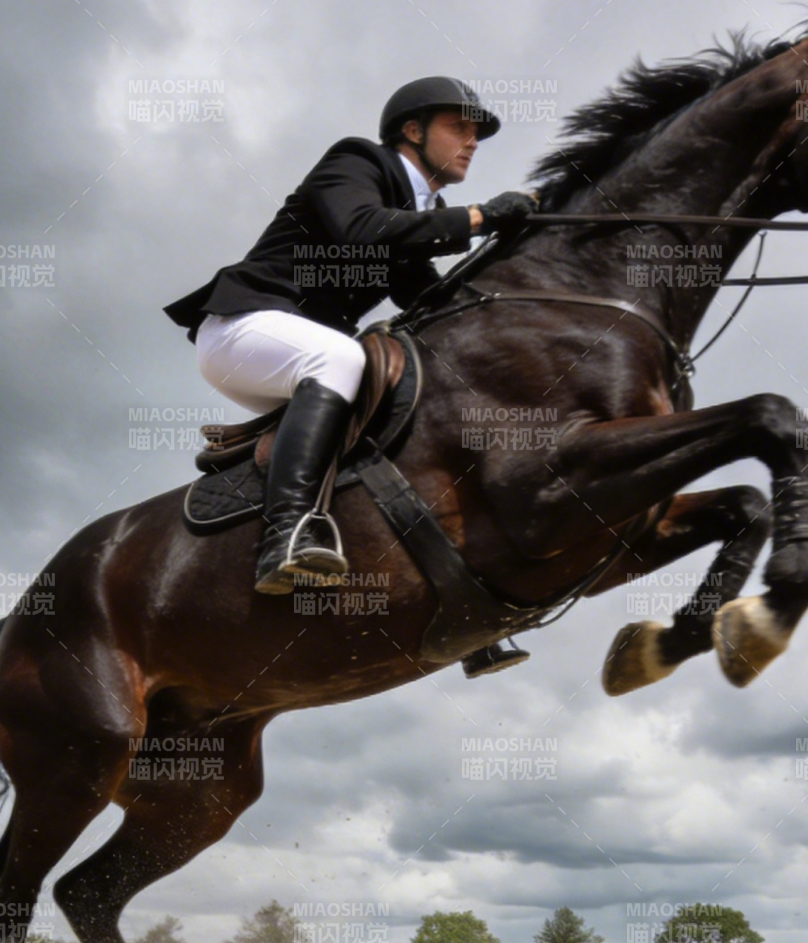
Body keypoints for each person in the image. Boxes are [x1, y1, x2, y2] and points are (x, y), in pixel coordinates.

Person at [164, 76, 538, 596]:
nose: (472, 142)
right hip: (242, 329)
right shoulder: (359, 161)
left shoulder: (421, 216)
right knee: (340, 358)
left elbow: (429, 301)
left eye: (475, 134)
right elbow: (362, 228)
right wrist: (479, 217)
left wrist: (514, 264)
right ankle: (285, 534)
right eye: (459, 128)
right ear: (413, 130)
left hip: (295, 353)